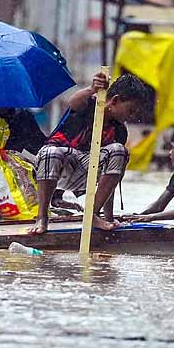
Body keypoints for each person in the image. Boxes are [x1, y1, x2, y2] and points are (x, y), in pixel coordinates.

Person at [29, 72, 146, 235]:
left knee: (119, 151)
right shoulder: (88, 105)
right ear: (115, 100)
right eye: (130, 110)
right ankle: (42, 217)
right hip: (55, 169)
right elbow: (73, 102)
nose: (131, 116)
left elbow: (111, 177)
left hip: (85, 174)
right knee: (51, 152)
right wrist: (92, 89)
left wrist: (109, 218)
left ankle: (92, 215)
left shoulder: (119, 131)